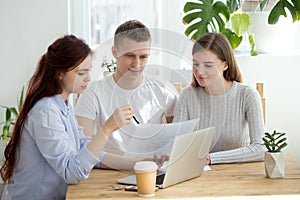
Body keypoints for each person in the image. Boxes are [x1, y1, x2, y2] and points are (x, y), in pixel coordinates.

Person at [0, 35, 134, 200]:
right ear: (60, 74)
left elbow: (86, 150)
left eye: (89, 71)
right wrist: (107, 128)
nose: (88, 78)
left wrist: (140, 163)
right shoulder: (46, 112)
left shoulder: (63, 105)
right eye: (81, 73)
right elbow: (73, 172)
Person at [75, 20, 178, 170]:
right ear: (115, 52)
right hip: (106, 174)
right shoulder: (92, 93)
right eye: (130, 55)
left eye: (143, 57)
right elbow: (84, 151)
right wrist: (134, 161)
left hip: (152, 172)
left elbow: (178, 140)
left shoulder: (164, 91)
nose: (137, 64)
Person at [173, 33, 265, 165]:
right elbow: (177, 146)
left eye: (208, 65)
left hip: (239, 175)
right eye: (195, 64)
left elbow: (260, 148)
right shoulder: (187, 96)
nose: (199, 71)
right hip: (198, 175)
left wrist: (211, 159)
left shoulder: (246, 94)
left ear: (225, 65)